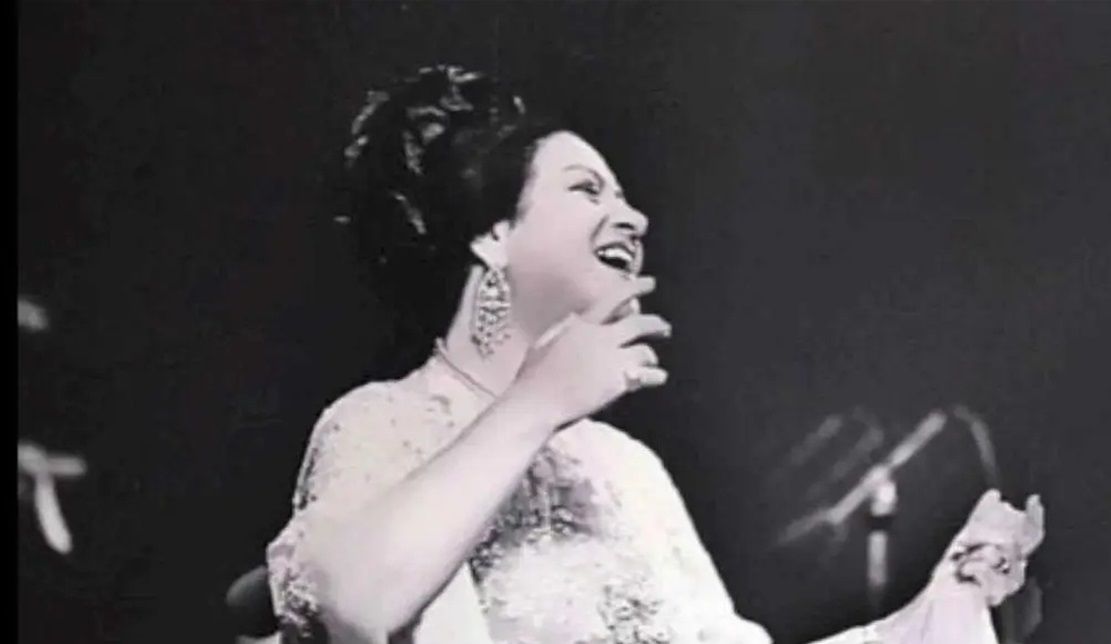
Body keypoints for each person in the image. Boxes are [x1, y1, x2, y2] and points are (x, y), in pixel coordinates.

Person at [265, 64, 1045, 644]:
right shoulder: (382, 421)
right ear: (492, 233)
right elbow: (352, 605)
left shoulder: (627, 470)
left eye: (625, 196)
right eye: (588, 190)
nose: (633, 217)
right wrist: (538, 402)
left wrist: (942, 606)